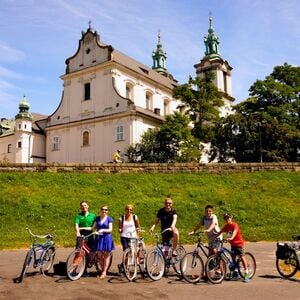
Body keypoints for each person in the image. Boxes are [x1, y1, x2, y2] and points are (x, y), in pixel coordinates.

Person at [216, 213, 250, 282]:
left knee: (241, 256)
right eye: (225, 218)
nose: (227, 219)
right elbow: (220, 232)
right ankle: (236, 271)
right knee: (233, 258)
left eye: (228, 218)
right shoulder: (226, 226)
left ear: (231, 218)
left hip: (239, 244)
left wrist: (231, 237)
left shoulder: (234, 225)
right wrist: (215, 237)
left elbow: (235, 232)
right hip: (233, 245)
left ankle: (246, 273)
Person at [92, 205, 115, 279]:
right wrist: (93, 231)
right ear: (100, 210)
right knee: (99, 256)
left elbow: (110, 229)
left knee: (106, 256)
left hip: (106, 238)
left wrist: (103, 230)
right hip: (99, 238)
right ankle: (103, 270)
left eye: (106, 210)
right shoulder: (97, 218)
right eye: (103, 209)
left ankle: (104, 272)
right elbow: (93, 228)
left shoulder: (109, 219)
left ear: (107, 211)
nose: (104, 211)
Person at [117, 204, 141, 274]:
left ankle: (122, 266)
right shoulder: (121, 218)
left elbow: (138, 227)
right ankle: (126, 268)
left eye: (130, 210)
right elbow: (120, 228)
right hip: (124, 237)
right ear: (125, 210)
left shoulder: (135, 217)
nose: (129, 211)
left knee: (132, 253)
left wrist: (137, 235)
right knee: (126, 253)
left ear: (132, 210)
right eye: (127, 209)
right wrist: (120, 230)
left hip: (133, 237)